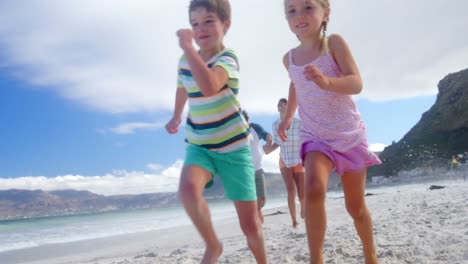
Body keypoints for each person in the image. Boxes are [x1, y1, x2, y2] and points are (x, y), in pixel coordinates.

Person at [278, 0, 382, 263]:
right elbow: (295, 85)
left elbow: (356, 82)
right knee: (313, 187)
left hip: (348, 135)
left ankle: (370, 254)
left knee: (355, 207)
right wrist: (288, 117)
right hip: (315, 137)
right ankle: (317, 258)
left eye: (308, 8)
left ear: (326, 12)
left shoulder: (333, 43)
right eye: (292, 11)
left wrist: (327, 82)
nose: (299, 16)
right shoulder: (288, 58)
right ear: (286, 18)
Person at [165, 1, 267, 263]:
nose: (200, 29)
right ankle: (213, 245)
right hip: (200, 144)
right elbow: (182, 87)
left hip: (234, 147)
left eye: (209, 21)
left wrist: (189, 48)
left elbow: (210, 85)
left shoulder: (228, 58)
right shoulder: (184, 61)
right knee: (187, 190)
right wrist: (177, 115)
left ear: (226, 25)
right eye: (195, 23)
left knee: (251, 226)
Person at [267, 98, 305, 228]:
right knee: (290, 189)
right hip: (284, 158)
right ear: (278, 109)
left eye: (285, 105)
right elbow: (277, 142)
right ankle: (294, 220)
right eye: (280, 105)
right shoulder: (275, 125)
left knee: (301, 191)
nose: (283, 107)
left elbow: (306, 137)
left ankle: (303, 208)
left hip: (298, 159)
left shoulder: (298, 123)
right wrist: (268, 149)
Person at [242, 110, 273, 224]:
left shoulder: (255, 128)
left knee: (262, 200)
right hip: (245, 171)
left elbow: (267, 135)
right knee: (252, 202)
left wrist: (268, 143)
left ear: (247, 120)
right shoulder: (236, 133)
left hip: (258, 169)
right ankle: (257, 226)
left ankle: (257, 218)